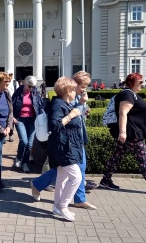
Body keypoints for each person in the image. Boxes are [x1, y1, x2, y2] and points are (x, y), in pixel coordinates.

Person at [30, 71, 97, 211]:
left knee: (71, 169)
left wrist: (84, 109)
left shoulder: (76, 97)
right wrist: (80, 105)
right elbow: (62, 120)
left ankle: (76, 199)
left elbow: (77, 116)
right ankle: (67, 200)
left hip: (76, 138)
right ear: (73, 86)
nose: (84, 89)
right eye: (83, 86)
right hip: (67, 142)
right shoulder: (67, 99)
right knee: (67, 170)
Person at [99, 73, 146, 195]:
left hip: (129, 131)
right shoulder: (127, 94)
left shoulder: (131, 94)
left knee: (116, 156)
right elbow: (123, 113)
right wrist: (122, 132)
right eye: (140, 82)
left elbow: (134, 114)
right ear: (132, 83)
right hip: (132, 133)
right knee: (143, 159)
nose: (142, 84)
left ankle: (105, 180)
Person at [46, 77, 83, 221]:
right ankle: (63, 206)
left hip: (66, 145)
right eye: (73, 90)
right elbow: (54, 126)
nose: (75, 92)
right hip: (63, 146)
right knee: (76, 177)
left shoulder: (63, 103)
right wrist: (71, 115)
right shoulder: (58, 104)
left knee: (62, 177)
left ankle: (56, 206)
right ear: (68, 91)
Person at [12, 76, 44, 173]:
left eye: (33, 86)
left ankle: (25, 163)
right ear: (25, 83)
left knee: (30, 144)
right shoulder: (18, 92)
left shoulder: (35, 92)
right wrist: (12, 117)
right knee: (24, 141)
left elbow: (40, 105)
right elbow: (11, 105)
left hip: (32, 120)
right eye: (29, 86)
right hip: (20, 119)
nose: (31, 88)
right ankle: (19, 158)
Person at [6, 70, 18, 142]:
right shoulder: (5, 81)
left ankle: (11, 134)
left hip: (12, 102)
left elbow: (17, 92)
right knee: (4, 118)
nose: (10, 76)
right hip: (5, 101)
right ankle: (4, 134)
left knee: (11, 118)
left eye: (11, 74)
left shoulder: (15, 83)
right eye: (9, 74)